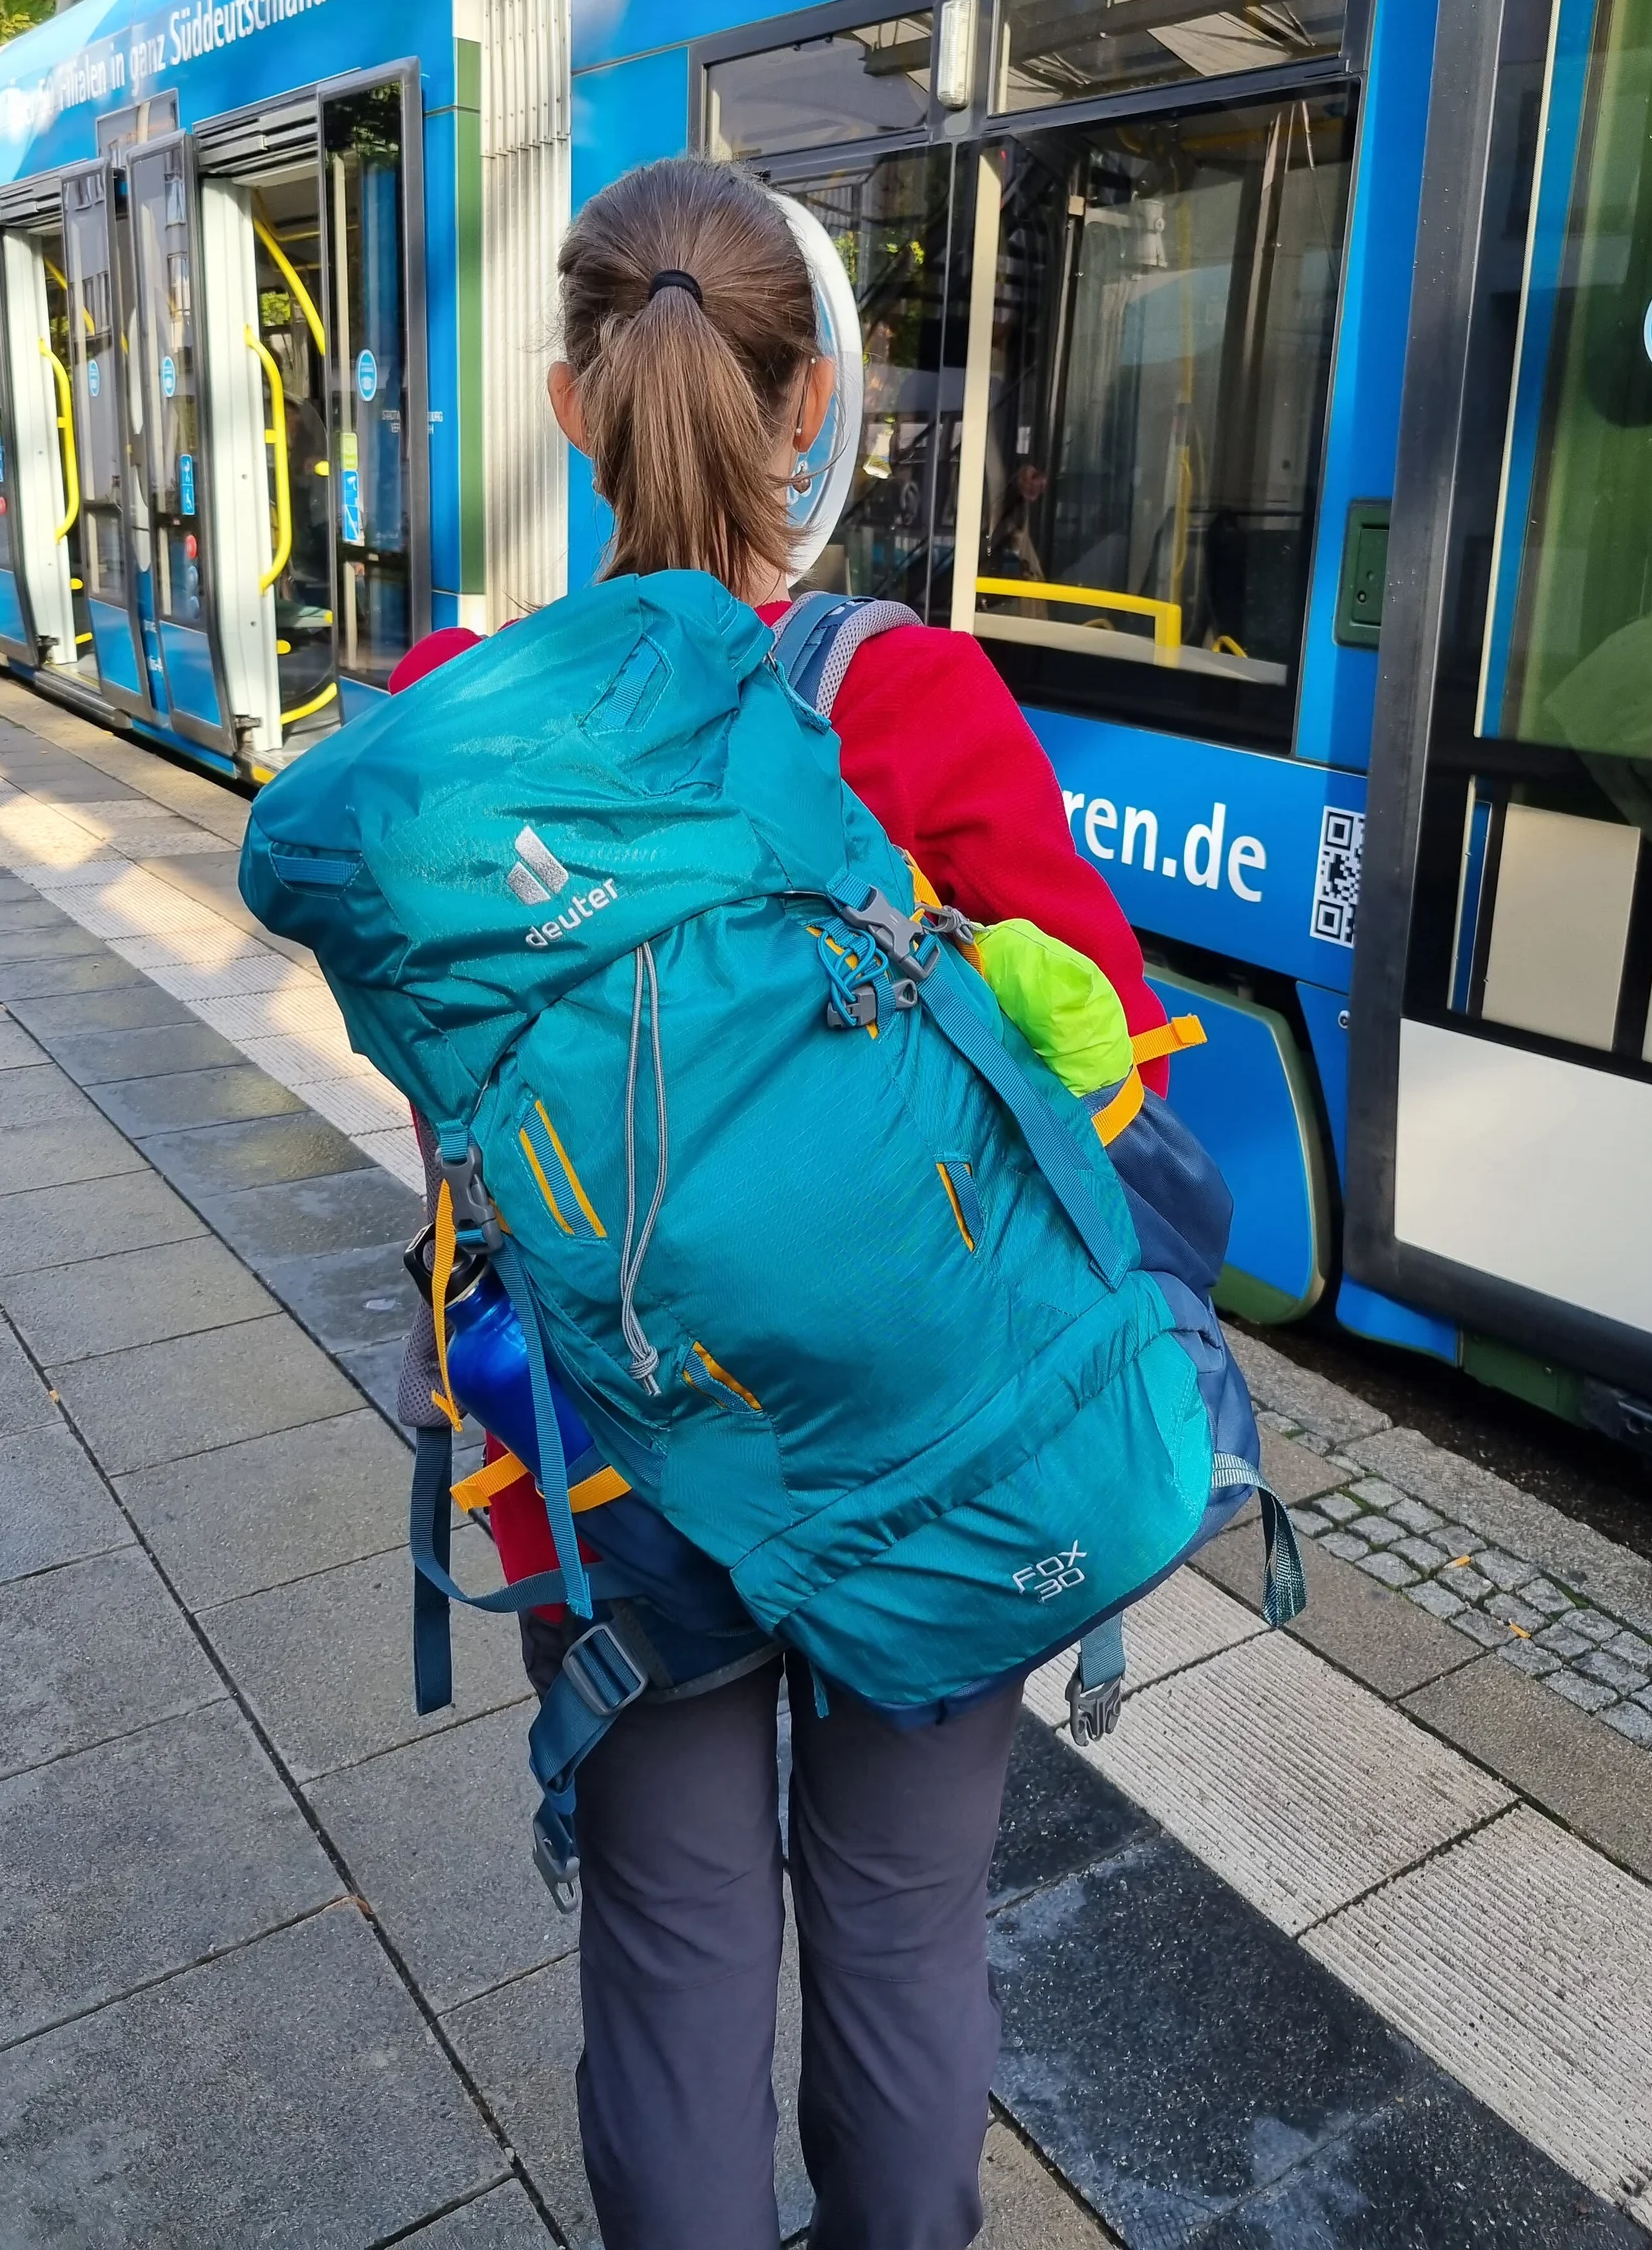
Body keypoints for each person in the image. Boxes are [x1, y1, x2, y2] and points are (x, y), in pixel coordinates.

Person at [394, 156, 1173, 2250]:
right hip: (922, 1457)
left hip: (612, 1470)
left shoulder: (452, 712)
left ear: (572, 402)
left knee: (671, 1951)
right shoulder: (911, 696)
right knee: (909, 1936)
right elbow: (1097, 1052)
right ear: (812, 398)